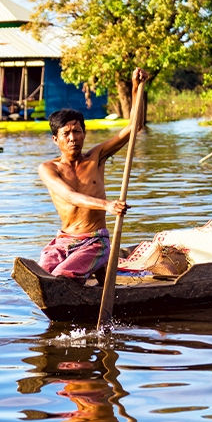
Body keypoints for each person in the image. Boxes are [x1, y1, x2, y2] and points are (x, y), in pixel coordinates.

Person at [36, 67, 149, 283]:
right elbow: (69, 196)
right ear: (55, 139)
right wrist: (106, 205)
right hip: (63, 240)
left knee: (61, 277)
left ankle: (92, 273)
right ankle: (95, 277)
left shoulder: (96, 156)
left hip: (95, 240)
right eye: (66, 134)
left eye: (77, 132)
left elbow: (135, 126)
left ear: (84, 134)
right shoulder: (48, 168)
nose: (72, 138)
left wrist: (136, 89)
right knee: (42, 275)